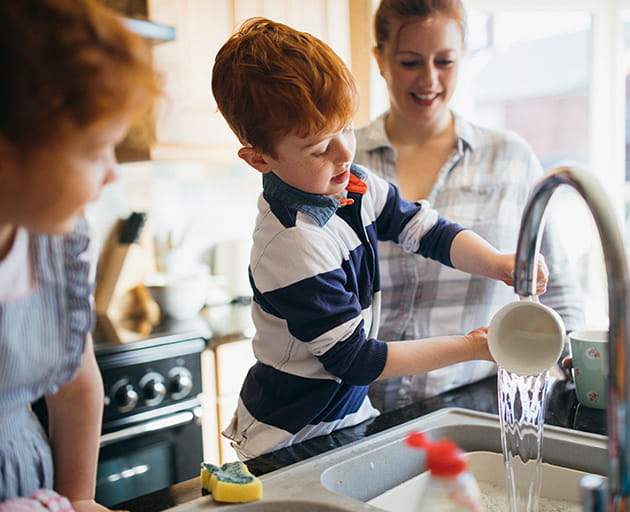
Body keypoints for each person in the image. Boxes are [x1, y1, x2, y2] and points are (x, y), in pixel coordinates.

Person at [210, 17, 548, 460]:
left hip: (347, 420)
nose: (345, 152)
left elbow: (428, 231)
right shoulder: (291, 244)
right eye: (319, 147)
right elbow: (356, 360)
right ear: (259, 159)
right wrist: (473, 347)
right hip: (289, 437)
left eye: (346, 128)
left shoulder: (352, 185)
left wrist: (498, 263)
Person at [354, 0, 585, 411]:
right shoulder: (343, 163)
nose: (429, 79)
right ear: (380, 58)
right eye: (410, 62)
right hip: (360, 411)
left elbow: (558, 287)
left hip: (479, 404)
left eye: (445, 61)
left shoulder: (510, 158)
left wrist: (581, 376)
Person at [0, 1, 161, 512]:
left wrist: (77, 498)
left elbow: (76, 381)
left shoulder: (57, 240)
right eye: (95, 150)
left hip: (30, 486)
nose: (114, 170)